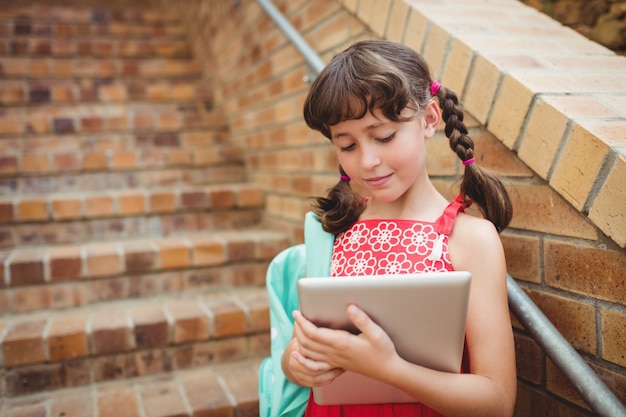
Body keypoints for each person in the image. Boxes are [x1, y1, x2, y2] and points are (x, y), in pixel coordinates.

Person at [280, 40, 517, 417]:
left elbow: (498, 400)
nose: (368, 161)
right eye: (347, 145)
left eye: (384, 136)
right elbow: (299, 350)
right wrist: (296, 361)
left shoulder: (470, 239)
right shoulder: (334, 229)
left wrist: (390, 369)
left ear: (429, 119)